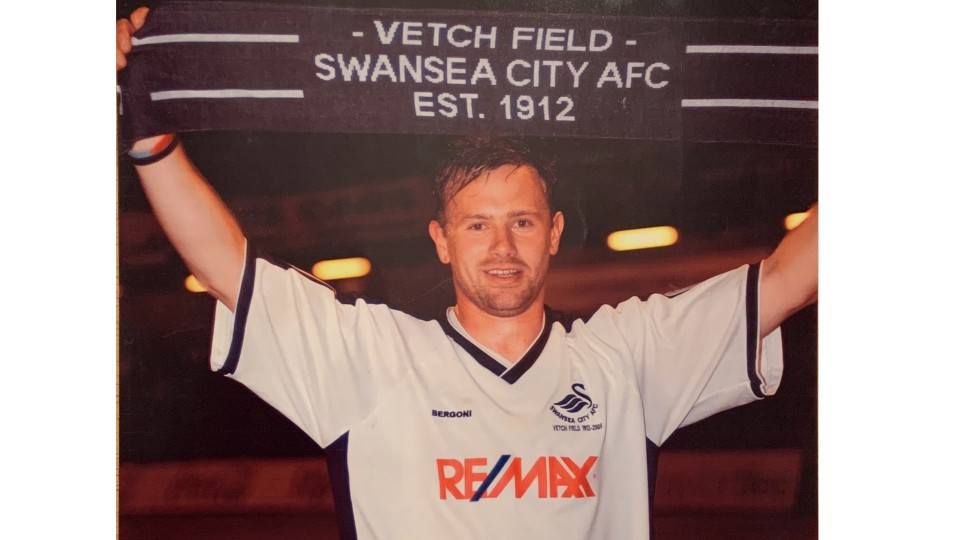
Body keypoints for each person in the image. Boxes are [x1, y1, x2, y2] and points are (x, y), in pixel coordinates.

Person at [117, 6, 818, 540]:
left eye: (522, 221)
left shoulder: (627, 358)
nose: (502, 246)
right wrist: (151, 138)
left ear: (555, 235)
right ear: (442, 241)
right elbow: (224, 267)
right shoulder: (373, 357)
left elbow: (790, 276)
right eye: (477, 225)